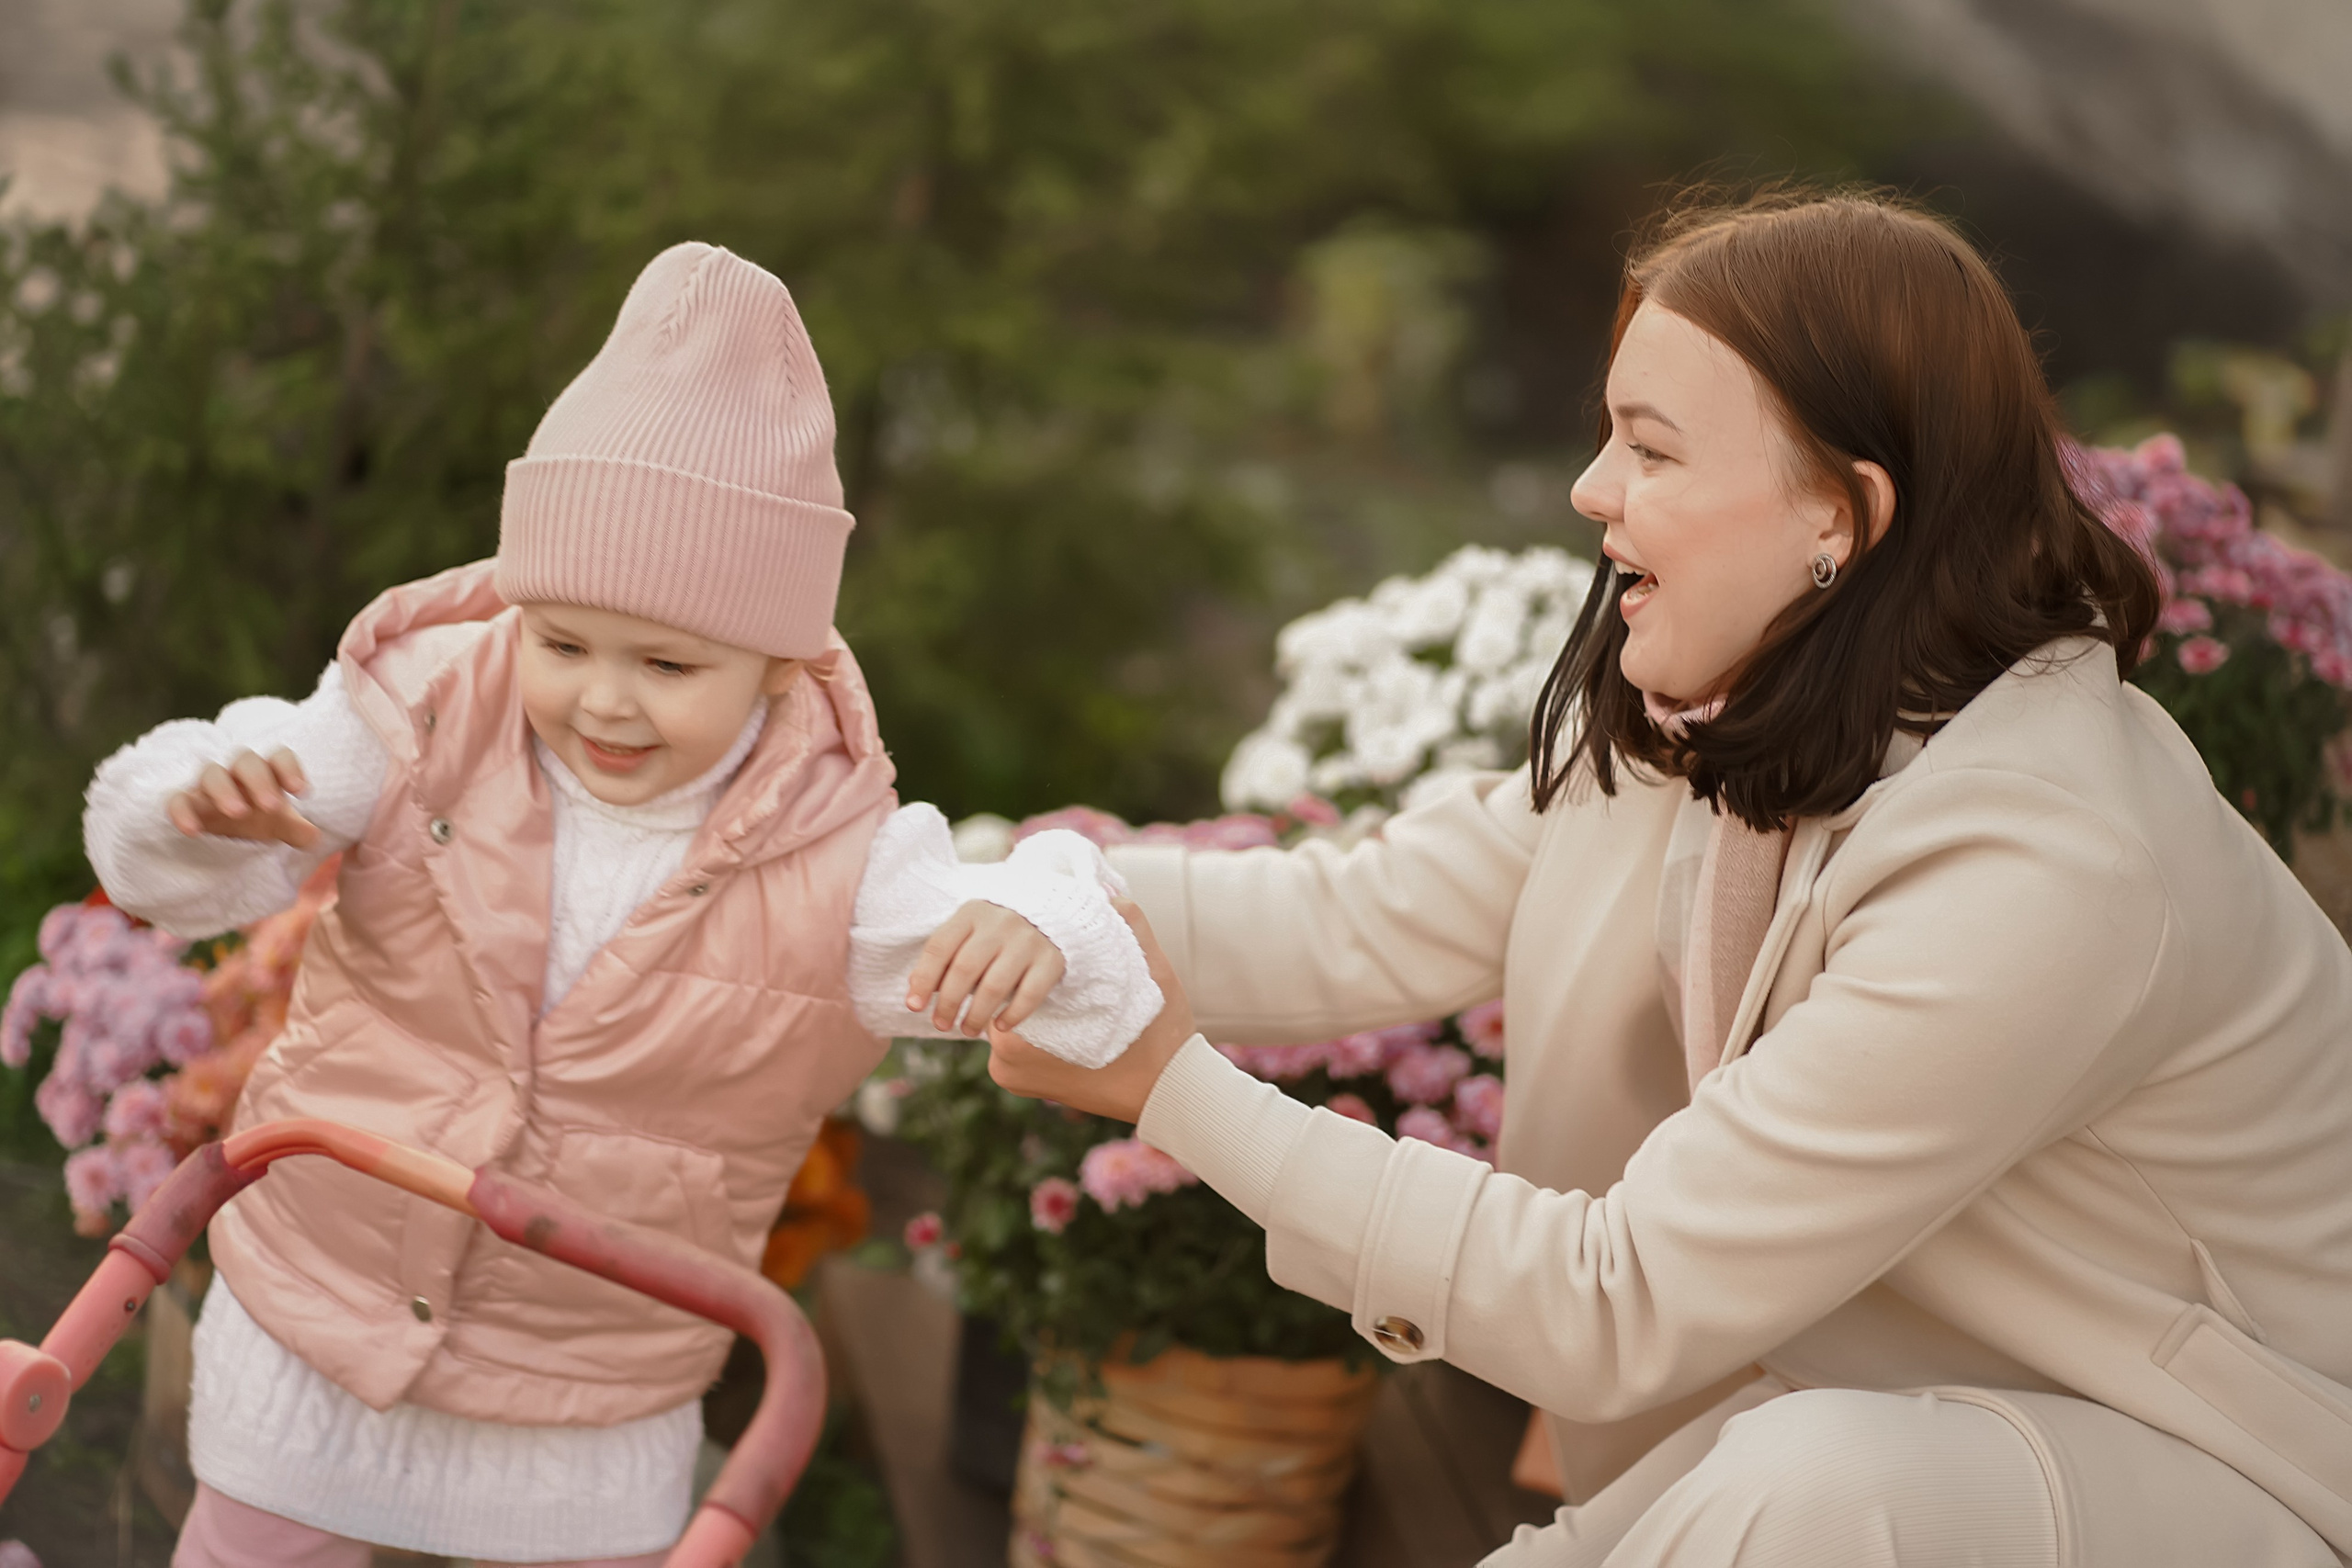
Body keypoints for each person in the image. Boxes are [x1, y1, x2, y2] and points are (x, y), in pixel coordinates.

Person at [987, 192, 2352, 1567]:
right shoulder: (1734, 704)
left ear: (1841, 514)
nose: (1590, 489)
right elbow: (1356, 916)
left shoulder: (2052, 865)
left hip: (2251, 1469)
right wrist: (1013, 908)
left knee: (1821, 1488)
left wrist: (1166, 1089)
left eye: (1649, 448)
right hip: (1905, 1419)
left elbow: (1617, 1299)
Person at [84, 243, 1159, 1566]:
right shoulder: (425, 707)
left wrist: (1043, 922)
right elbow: (164, 863)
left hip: (588, 1388)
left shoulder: (841, 850)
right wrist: (201, 802)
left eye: (666, 663)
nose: (604, 698)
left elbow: (1098, 994)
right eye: (564, 642)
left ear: (780, 664)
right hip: (318, 1311)